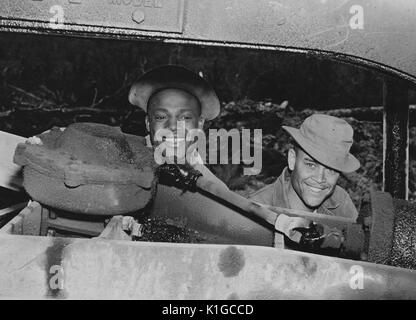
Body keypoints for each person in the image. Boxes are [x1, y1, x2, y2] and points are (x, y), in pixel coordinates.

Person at [249, 114, 360, 247]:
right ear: (292, 160)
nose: (320, 179)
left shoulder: (340, 202)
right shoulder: (258, 210)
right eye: (311, 165)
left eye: (331, 170)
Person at [128, 64, 228, 188]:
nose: (173, 126)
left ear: (200, 124)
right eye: (161, 117)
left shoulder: (212, 189)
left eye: (185, 118)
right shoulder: (123, 165)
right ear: (148, 123)